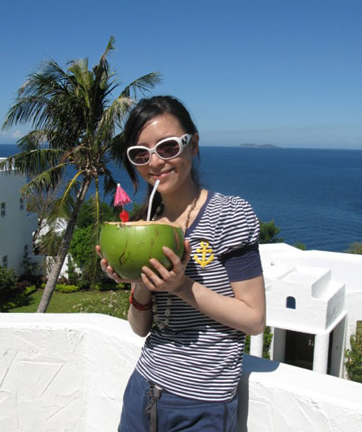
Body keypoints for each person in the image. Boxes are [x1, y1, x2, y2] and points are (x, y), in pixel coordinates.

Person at [98, 95, 266, 432]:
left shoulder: (230, 215)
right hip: (143, 388)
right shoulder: (147, 228)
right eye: (141, 154)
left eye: (168, 147)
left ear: (193, 146)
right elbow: (140, 327)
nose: (155, 162)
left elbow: (254, 318)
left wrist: (182, 286)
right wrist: (137, 277)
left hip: (203, 402)